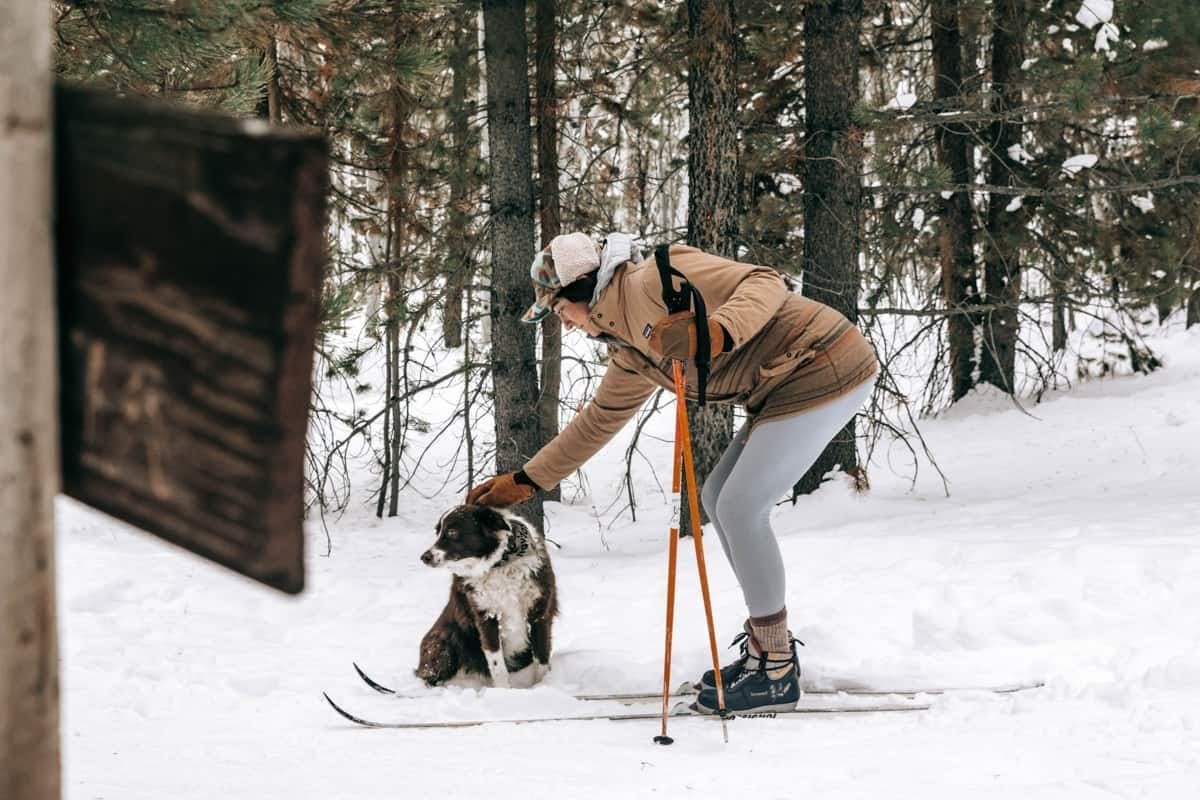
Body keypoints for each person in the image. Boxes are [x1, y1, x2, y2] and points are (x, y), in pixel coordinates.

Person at [466, 231, 878, 713]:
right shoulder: (628, 349)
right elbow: (599, 419)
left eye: (560, 310)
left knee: (742, 507)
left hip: (823, 362)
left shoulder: (653, 280)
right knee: (720, 498)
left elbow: (765, 283)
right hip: (782, 387)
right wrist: (527, 479)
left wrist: (718, 330)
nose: (567, 324)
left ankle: (777, 670)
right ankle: (769, 651)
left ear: (580, 290)